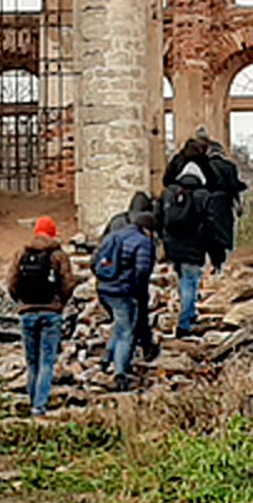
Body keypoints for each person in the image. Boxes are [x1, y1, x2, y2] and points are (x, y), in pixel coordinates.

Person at [7, 215, 77, 417]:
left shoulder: (22, 252)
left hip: (27, 313)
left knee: (32, 362)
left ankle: (32, 401)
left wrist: (21, 301)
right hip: (51, 313)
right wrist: (60, 303)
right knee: (47, 361)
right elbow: (68, 283)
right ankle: (39, 406)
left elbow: (11, 281)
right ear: (53, 232)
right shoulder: (58, 255)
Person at [94, 210, 156, 391]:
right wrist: (137, 292)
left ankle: (105, 360)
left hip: (104, 289)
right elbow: (143, 271)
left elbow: (94, 261)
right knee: (127, 331)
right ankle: (120, 372)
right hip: (124, 292)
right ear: (148, 229)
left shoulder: (114, 236)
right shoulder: (144, 243)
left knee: (120, 324)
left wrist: (104, 280)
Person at [101, 191, 160, 362]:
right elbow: (143, 267)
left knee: (121, 322)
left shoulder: (117, 221)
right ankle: (123, 366)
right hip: (129, 284)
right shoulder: (144, 232)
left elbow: (101, 247)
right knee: (131, 322)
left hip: (109, 281)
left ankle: (109, 356)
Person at [159, 159, 212, 337]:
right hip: (195, 246)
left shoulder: (169, 193)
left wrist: (164, 240)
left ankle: (190, 313)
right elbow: (210, 222)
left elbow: (159, 218)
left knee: (184, 280)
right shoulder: (204, 195)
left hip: (173, 246)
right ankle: (185, 323)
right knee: (192, 281)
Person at [203, 139, 247, 270]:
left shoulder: (205, 167)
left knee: (210, 232)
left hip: (208, 202)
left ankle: (214, 261)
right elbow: (235, 187)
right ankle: (221, 263)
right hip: (225, 202)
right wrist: (238, 204)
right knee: (225, 230)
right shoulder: (229, 166)